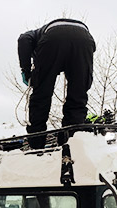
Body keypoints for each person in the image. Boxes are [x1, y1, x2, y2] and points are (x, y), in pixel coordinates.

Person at [18, 18, 96, 149]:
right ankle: (71, 143)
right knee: (78, 97)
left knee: (41, 94)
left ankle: (36, 146)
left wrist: (26, 70)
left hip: (53, 37)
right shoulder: (42, 34)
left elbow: (23, 39)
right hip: (85, 39)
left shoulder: (35, 34)